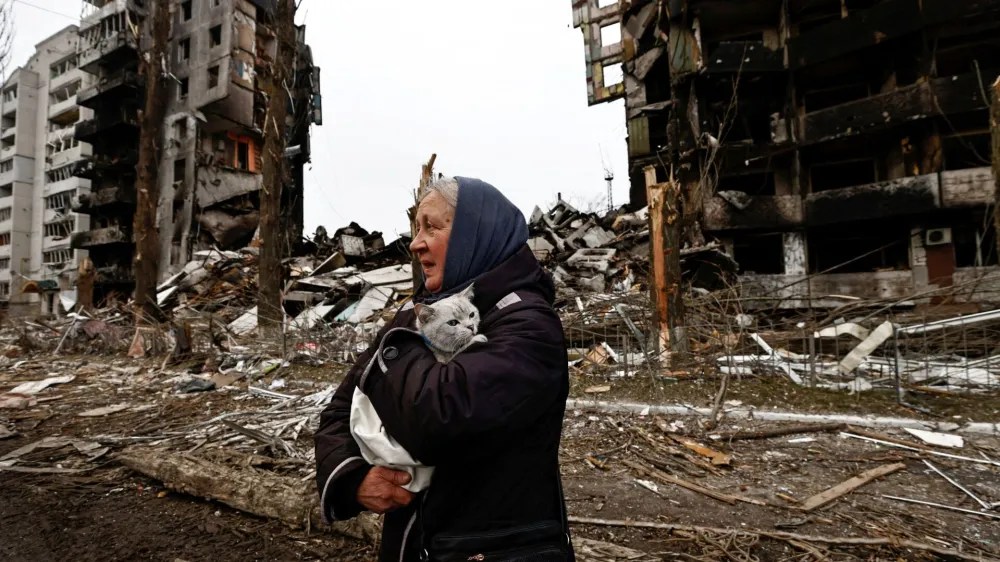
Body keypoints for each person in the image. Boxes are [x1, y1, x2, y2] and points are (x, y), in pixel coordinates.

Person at [314, 176, 573, 561]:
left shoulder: (529, 325)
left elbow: (440, 416)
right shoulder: (424, 310)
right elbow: (340, 409)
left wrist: (398, 346)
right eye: (415, 229)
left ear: (476, 234)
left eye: (430, 227)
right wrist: (352, 476)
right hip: (413, 544)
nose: (416, 243)